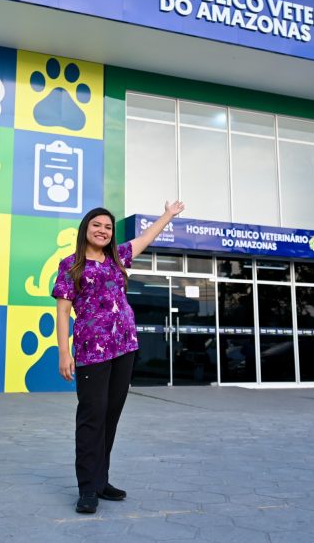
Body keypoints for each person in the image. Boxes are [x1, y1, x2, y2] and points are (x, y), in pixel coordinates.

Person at [52, 200, 185, 514]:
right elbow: (63, 312)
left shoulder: (118, 258)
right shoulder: (71, 265)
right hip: (92, 351)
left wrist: (167, 215)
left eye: (108, 227)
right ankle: (87, 488)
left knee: (110, 416)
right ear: (86, 229)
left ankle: (101, 481)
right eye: (97, 225)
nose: (103, 231)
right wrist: (64, 352)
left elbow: (146, 237)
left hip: (125, 347)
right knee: (92, 416)